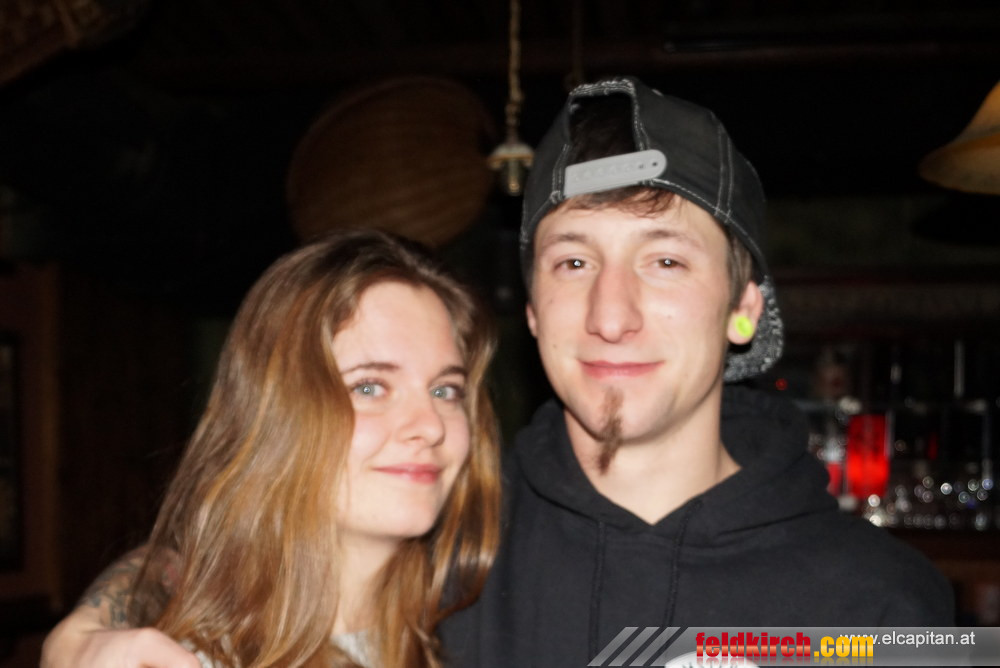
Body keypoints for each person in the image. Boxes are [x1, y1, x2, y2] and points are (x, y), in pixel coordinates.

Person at [43, 77, 953, 668]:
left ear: (744, 307)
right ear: (532, 312)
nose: (610, 312)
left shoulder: (885, 608)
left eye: (666, 260)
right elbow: (246, 551)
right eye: (573, 261)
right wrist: (85, 636)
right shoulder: (453, 535)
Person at [44, 229, 501, 667]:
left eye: (445, 391)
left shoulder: (468, 614)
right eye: (369, 387)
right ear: (276, 417)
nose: (430, 426)